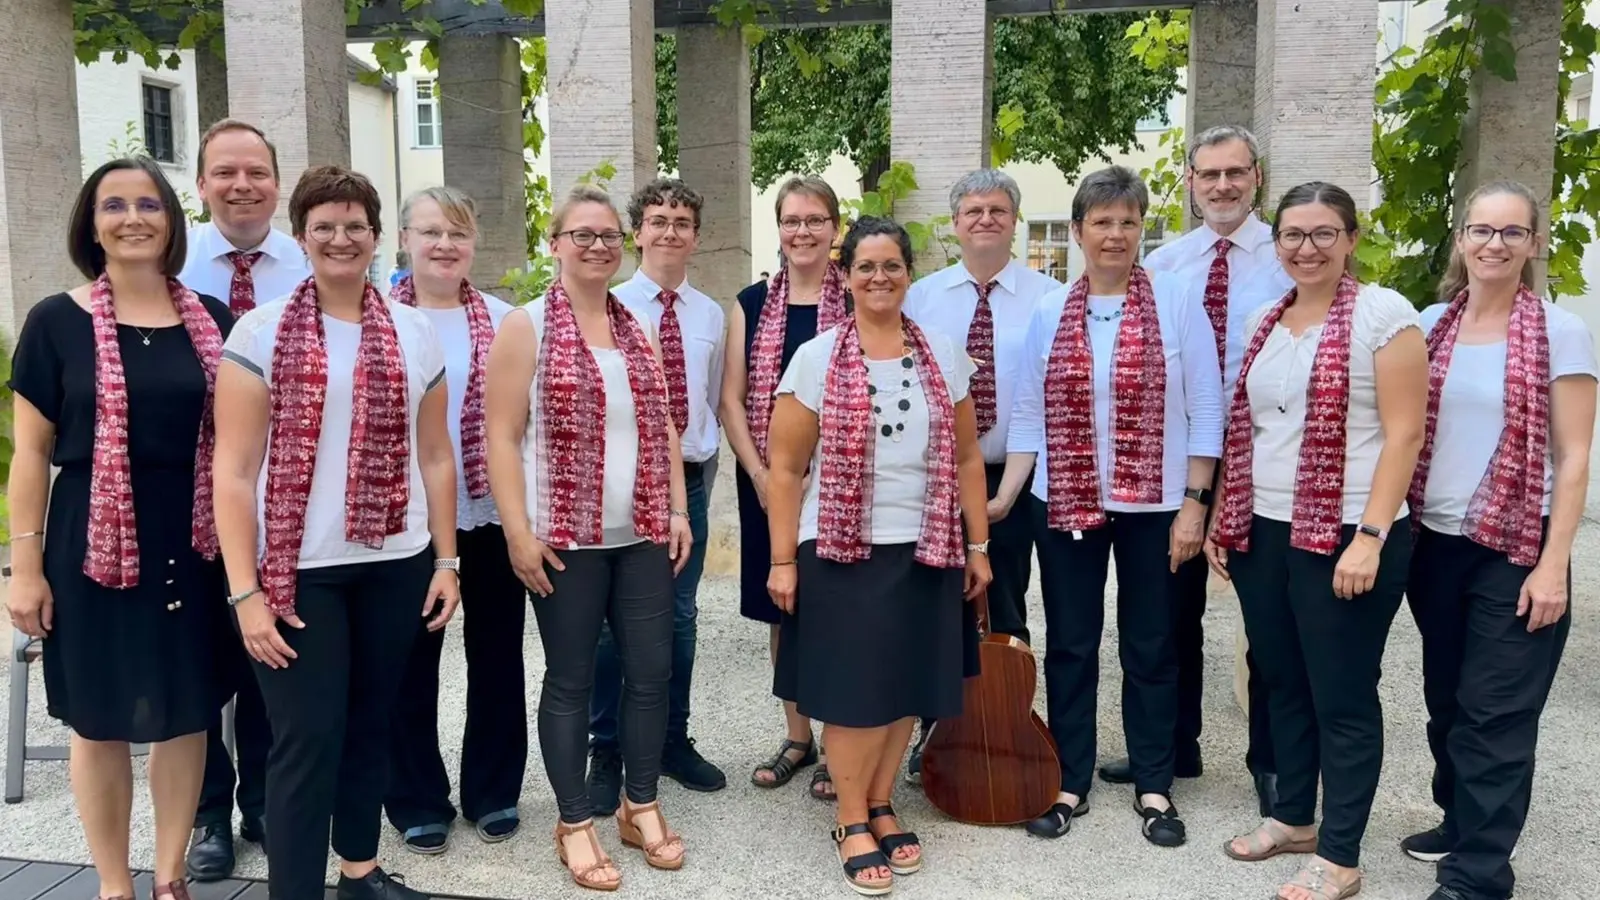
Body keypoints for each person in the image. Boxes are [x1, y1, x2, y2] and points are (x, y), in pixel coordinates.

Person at [211, 165, 460, 900]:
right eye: (325, 226)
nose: (341, 237)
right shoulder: (258, 332)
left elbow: (437, 455)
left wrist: (447, 560)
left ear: (376, 238)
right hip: (298, 574)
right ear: (302, 238)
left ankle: (358, 872)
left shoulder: (415, 331)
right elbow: (233, 469)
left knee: (370, 723)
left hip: (395, 562)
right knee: (305, 742)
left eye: (355, 225)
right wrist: (244, 593)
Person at [5, 157, 231, 900]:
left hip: (193, 540)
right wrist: (25, 568)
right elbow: (32, 456)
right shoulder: (54, 322)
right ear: (91, 225)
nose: (133, 217)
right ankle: (111, 884)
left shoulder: (213, 320)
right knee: (97, 720)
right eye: (114, 205)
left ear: (171, 220)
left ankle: (169, 878)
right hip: (90, 542)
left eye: (148, 204)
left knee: (186, 711)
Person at [1207, 182, 1428, 900]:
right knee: (1280, 681)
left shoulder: (1382, 314)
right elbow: (1252, 431)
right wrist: (1226, 519)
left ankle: (1340, 852)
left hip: (1345, 531)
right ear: (1277, 245)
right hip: (1265, 530)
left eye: (1324, 233)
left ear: (1351, 238)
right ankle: (1294, 817)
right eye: (1294, 235)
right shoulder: (1266, 322)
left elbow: (1405, 433)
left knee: (1341, 693)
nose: (1308, 248)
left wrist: (1369, 535)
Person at [766, 215, 991, 895]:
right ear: (847, 275)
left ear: (908, 273)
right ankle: (852, 815)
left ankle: (884, 799)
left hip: (927, 545)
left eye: (892, 265)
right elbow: (783, 468)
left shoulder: (943, 353)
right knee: (857, 694)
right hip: (839, 550)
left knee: (906, 685)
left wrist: (978, 544)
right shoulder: (815, 356)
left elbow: (969, 455)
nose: (879, 277)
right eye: (866, 266)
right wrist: (781, 560)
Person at [998, 166, 1222, 846]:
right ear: (1077, 231)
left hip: (1156, 505)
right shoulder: (1048, 311)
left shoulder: (1178, 300)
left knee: (1152, 644)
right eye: (1102, 221)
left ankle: (1154, 784)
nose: (1116, 234)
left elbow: (1206, 407)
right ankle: (1069, 780)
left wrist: (1194, 505)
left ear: (1141, 229)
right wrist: (1008, 494)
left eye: (1128, 221)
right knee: (1071, 643)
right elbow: (1030, 412)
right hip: (1064, 499)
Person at [484, 185, 693, 892]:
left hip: (639, 537)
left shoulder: (636, 327)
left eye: (609, 235)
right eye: (583, 235)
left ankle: (640, 805)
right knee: (570, 680)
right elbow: (502, 436)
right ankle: (575, 822)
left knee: (650, 673)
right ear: (555, 244)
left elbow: (662, 422)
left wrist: (679, 513)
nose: (598, 246)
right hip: (564, 540)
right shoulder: (528, 325)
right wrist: (517, 532)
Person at [1402, 181, 1596, 900]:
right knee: (1447, 698)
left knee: (1496, 710)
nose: (1494, 244)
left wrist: (1553, 568)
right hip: (1437, 543)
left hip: (1518, 544)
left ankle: (1480, 875)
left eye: (1512, 233)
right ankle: (1461, 820)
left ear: (1533, 244)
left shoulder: (1558, 331)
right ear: (1461, 239)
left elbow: (1574, 457)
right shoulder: (1429, 325)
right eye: (1482, 230)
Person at [1103, 125, 1293, 813]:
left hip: (1265, 462)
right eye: (1208, 174)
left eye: (1235, 173)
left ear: (1257, 176)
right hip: (1179, 462)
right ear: (1189, 181)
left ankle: (1272, 765)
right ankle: (1172, 745)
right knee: (1167, 615)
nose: (1221, 186)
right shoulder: (1165, 266)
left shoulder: (1288, 258)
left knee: (1268, 623)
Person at [177, 118, 308, 881]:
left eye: (256, 172)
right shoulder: (174, 263)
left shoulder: (308, 261)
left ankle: (263, 796)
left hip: (283, 499)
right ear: (201, 184)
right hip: (189, 499)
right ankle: (208, 815)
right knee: (200, 666)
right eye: (224, 172)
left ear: (276, 181)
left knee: (272, 652)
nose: (241, 185)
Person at [901, 168, 1061, 783]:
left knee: (1008, 603)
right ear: (956, 222)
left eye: (997, 210)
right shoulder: (923, 297)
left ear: (1014, 221)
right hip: (939, 478)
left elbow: (1046, 398)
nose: (985, 220)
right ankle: (935, 733)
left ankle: (1004, 728)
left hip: (1017, 475)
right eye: (973, 211)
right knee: (942, 606)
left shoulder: (1051, 299)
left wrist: (1004, 494)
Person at [380, 187, 525, 855]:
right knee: (411, 661)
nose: (445, 245)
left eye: (458, 234)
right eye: (431, 232)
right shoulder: (376, 316)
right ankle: (415, 798)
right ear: (405, 238)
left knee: (496, 656)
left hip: (490, 514)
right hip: (404, 519)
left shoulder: (506, 320)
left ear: (475, 244)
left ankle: (492, 791)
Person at [587, 177, 729, 812]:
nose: (670, 230)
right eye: (658, 219)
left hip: (689, 483)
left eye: (682, 221)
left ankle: (672, 739)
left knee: (679, 617)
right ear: (637, 231)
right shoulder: (606, 305)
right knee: (610, 626)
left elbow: (714, 403)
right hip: (619, 482)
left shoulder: (711, 314)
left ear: (696, 237)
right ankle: (607, 750)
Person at [720, 176, 850, 801]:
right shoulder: (751, 302)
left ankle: (840, 741)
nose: (803, 231)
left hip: (847, 484)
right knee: (783, 605)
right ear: (779, 229)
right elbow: (732, 400)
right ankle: (798, 738)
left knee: (839, 607)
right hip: (769, 482)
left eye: (815, 219)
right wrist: (762, 474)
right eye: (792, 220)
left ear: (835, 228)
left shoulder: (855, 300)